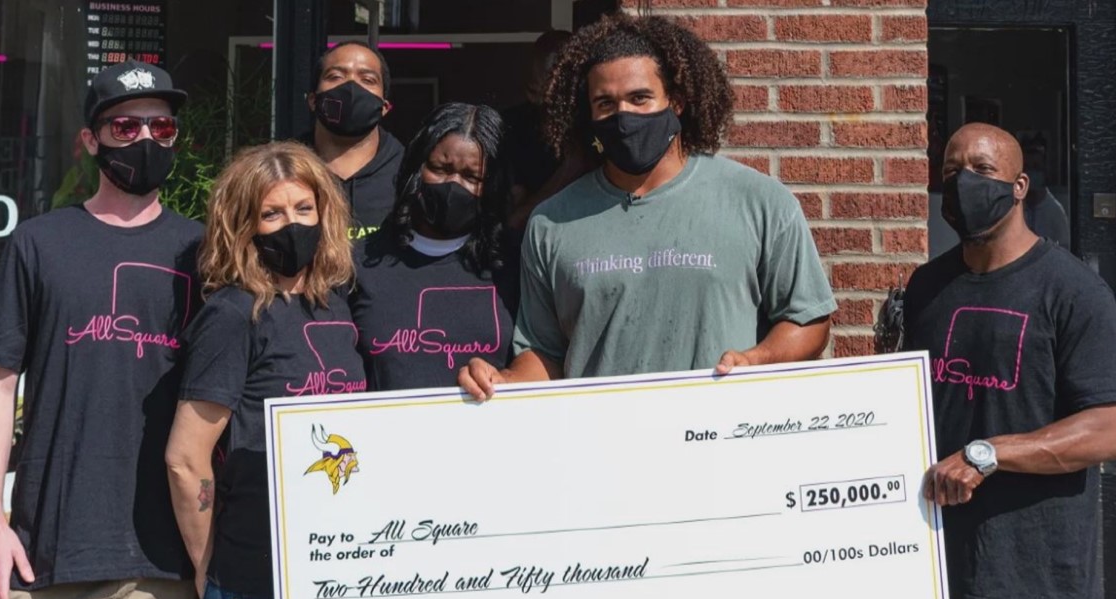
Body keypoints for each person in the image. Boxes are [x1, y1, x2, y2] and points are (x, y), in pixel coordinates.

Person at [459, 14, 835, 398]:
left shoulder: (759, 202)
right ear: (587, 115)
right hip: (604, 445)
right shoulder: (552, 222)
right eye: (605, 103)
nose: (624, 116)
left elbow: (809, 321)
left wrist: (758, 358)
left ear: (678, 100)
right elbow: (544, 353)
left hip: (716, 443)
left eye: (640, 98)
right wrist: (503, 382)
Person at [903, 123, 1116, 599]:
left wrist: (988, 453)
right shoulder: (926, 287)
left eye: (983, 171)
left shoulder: (1075, 292)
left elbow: (1106, 430)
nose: (965, 184)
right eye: (951, 172)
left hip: (1039, 594)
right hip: (937, 577)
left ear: (1020, 186)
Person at [0, 60, 200, 599]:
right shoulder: (39, 243)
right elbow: (0, 383)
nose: (144, 140)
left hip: (165, 571)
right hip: (45, 566)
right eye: (125, 127)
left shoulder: (205, 251)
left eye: (160, 130)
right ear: (91, 140)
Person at [165, 142, 365, 599]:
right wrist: (208, 569)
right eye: (271, 214)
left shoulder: (335, 305)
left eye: (303, 209)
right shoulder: (234, 314)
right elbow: (186, 459)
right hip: (255, 583)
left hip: (336, 570)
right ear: (243, 226)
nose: (291, 225)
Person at [351, 103, 518, 390]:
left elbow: (543, 353)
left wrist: (507, 380)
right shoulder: (361, 260)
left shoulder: (513, 263)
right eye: (441, 169)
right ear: (416, 166)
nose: (453, 184)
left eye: (471, 177)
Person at [304, 41, 404, 240]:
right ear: (313, 100)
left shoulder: (410, 175)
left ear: (384, 106)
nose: (351, 87)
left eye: (367, 79)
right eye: (335, 76)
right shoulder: (282, 170)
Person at [501, 30, 579, 230]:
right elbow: (515, 220)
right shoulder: (512, 128)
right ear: (532, 89)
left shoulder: (596, 123)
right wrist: (569, 170)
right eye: (554, 85)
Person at [1019, 133, 1070, 250]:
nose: (1031, 172)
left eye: (1036, 167)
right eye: (1027, 167)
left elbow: (1064, 249)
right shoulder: (1013, 207)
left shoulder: (1054, 211)